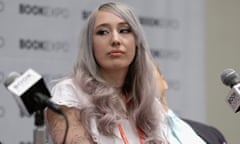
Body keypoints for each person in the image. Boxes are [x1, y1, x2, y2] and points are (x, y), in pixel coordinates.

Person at [46, 2, 167, 144]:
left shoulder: (152, 106)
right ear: (90, 45)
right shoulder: (69, 93)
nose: (115, 40)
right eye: (103, 32)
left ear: (136, 42)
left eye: (124, 30)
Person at [153, 63, 228, 144]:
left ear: (164, 82)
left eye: (146, 72)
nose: (141, 81)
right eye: (137, 74)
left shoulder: (212, 134)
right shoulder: (139, 138)